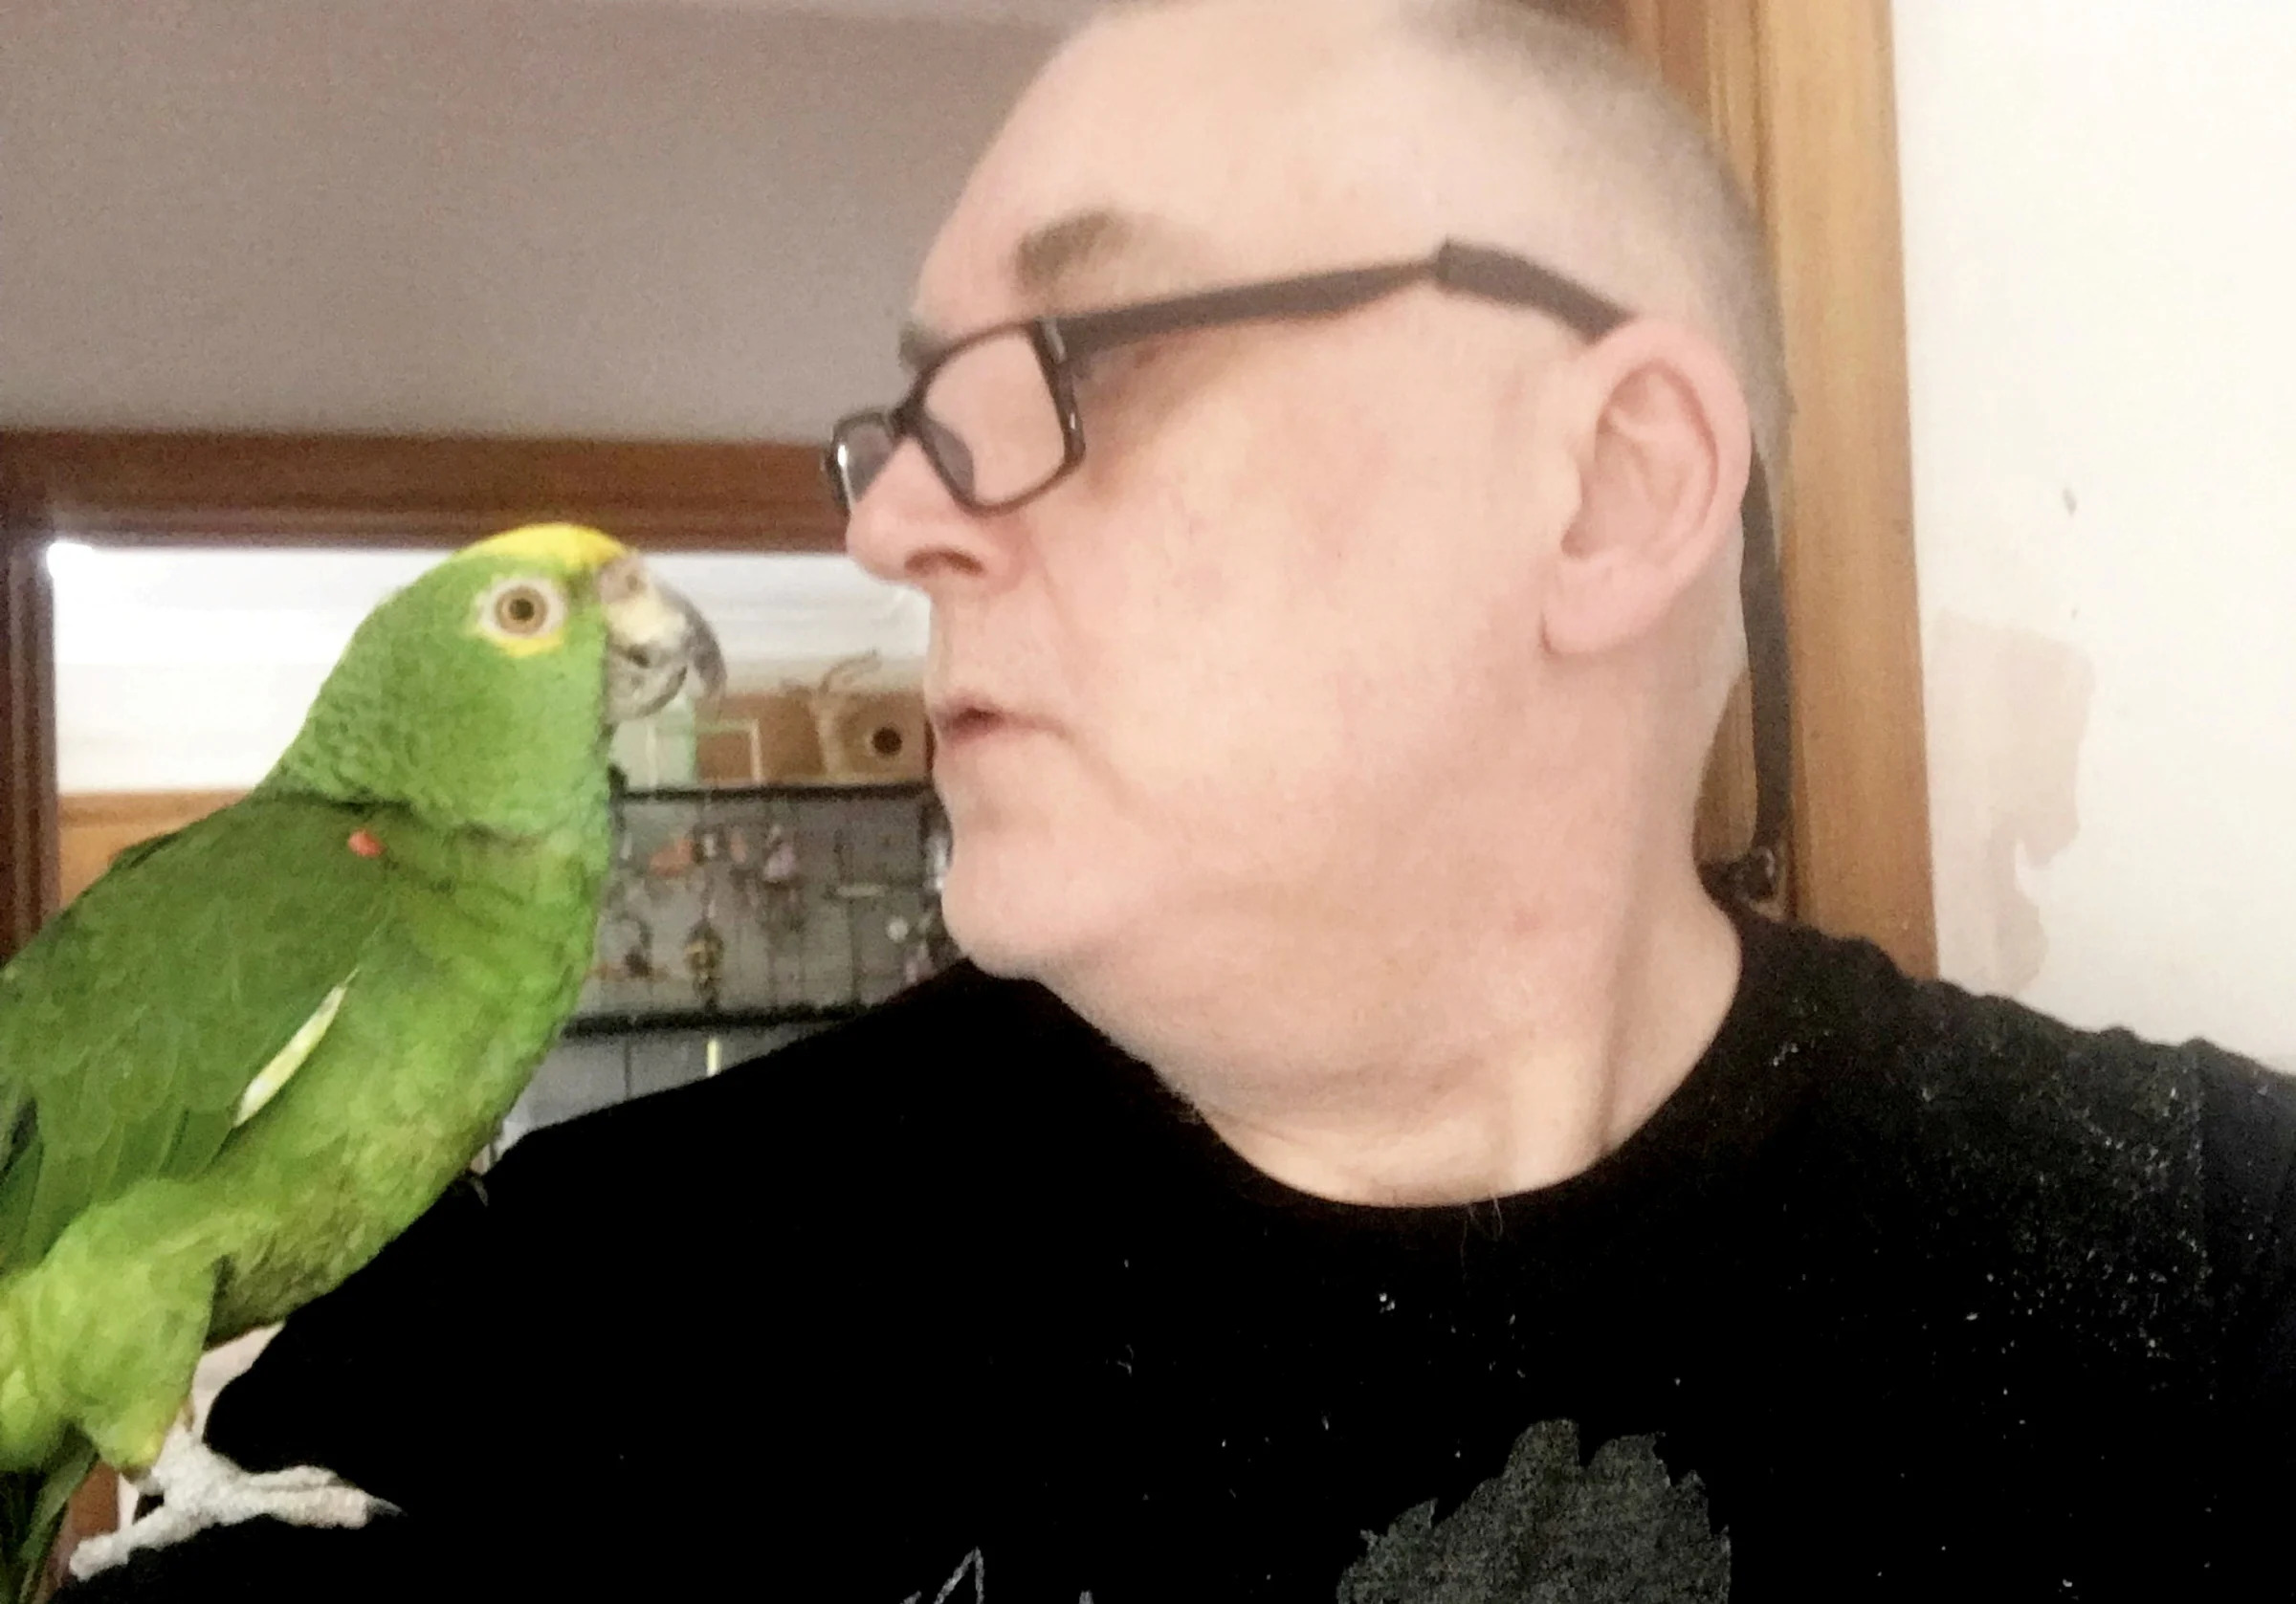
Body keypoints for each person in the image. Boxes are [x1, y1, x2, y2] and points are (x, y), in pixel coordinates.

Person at [70, 1, 2296, 1599]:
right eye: (904, 414)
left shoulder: (2216, 1277)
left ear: (1611, 488)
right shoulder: (556, 1337)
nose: (891, 532)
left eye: (1070, 363)